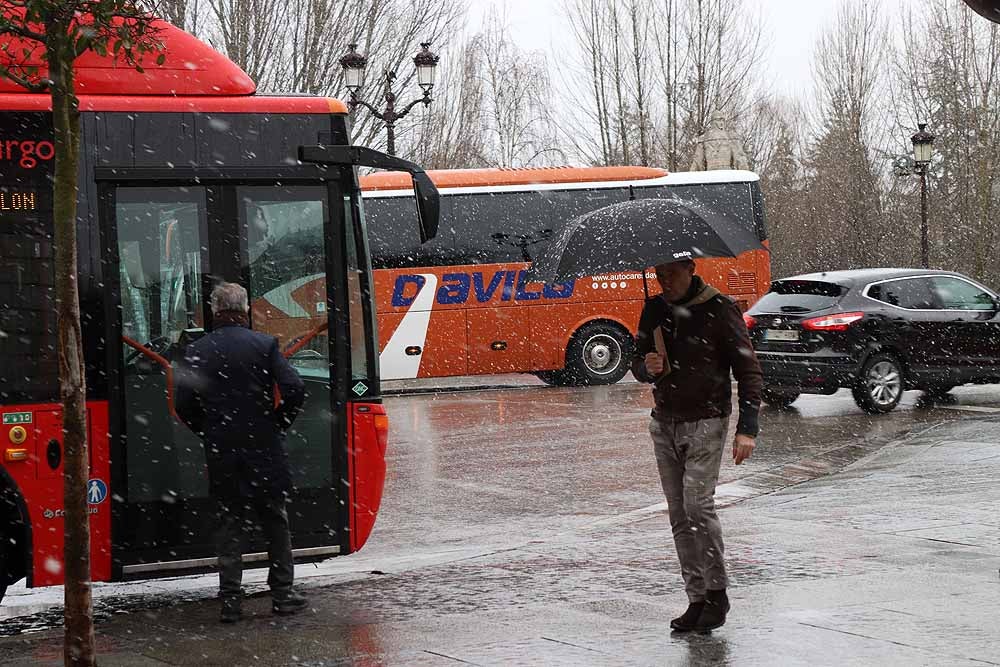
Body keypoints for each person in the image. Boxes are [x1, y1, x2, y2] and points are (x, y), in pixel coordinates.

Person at [631, 259, 762, 633]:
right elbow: (637, 362)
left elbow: (748, 369)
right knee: (678, 516)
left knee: (697, 507)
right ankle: (696, 598)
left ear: (689, 268)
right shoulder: (654, 309)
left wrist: (747, 427)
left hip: (706, 420)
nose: (663, 280)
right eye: (658, 275)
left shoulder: (720, 308)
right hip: (664, 422)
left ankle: (717, 593)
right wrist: (646, 366)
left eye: (670, 273)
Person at [175, 281, 307, 623]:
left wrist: (209, 430)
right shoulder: (264, 345)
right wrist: (277, 423)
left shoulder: (198, 350)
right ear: (245, 309)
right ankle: (282, 595)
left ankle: (231, 602)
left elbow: (183, 404)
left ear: (215, 311)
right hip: (264, 447)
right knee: (275, 523)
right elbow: (294, 388)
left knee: (230, 526)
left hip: (223, 451)